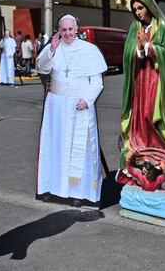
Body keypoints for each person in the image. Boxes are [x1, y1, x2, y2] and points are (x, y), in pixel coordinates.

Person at [116, 0, 165, 223]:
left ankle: (163, 157)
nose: (138, 13)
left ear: (149, 6)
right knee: (140, 119)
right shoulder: (134, 29)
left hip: (158, 86)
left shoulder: (162, 27)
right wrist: (138, 49)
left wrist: (149, 47)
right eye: (135, 10)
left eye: (141, 8)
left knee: (156, 120)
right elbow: (129, 56)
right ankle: (142, 155)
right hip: (141, 84)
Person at [36, 13, 107, 208]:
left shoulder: (89, 50)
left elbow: (98, 82)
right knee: (55, 147)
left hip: (80, 105)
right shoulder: (53, 48)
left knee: (81, 150)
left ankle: (79, 193)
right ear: (59, 31)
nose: (67, 33)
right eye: (63, 29)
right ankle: (53, 188)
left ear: (77, 29)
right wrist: (51, 49)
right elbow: (41, 68)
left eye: (70, 29)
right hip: (56, 107)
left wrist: (87, 100)